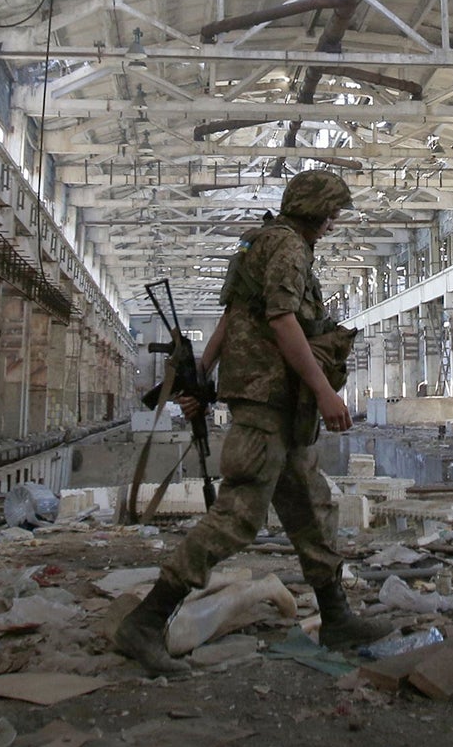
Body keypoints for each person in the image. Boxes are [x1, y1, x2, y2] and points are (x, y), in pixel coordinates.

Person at [113, 169, 393, 674]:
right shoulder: (288, 248)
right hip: (269, 404)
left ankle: (336, 617)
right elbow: (282, 320)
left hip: (281, 409)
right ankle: (146, 622)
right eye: (331, 212)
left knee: (312, 508)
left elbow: (231, 318)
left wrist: (200, 377)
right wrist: (325, 391)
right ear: (313, 210)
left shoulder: (256, 242)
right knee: (239, 515)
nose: (334, 222)